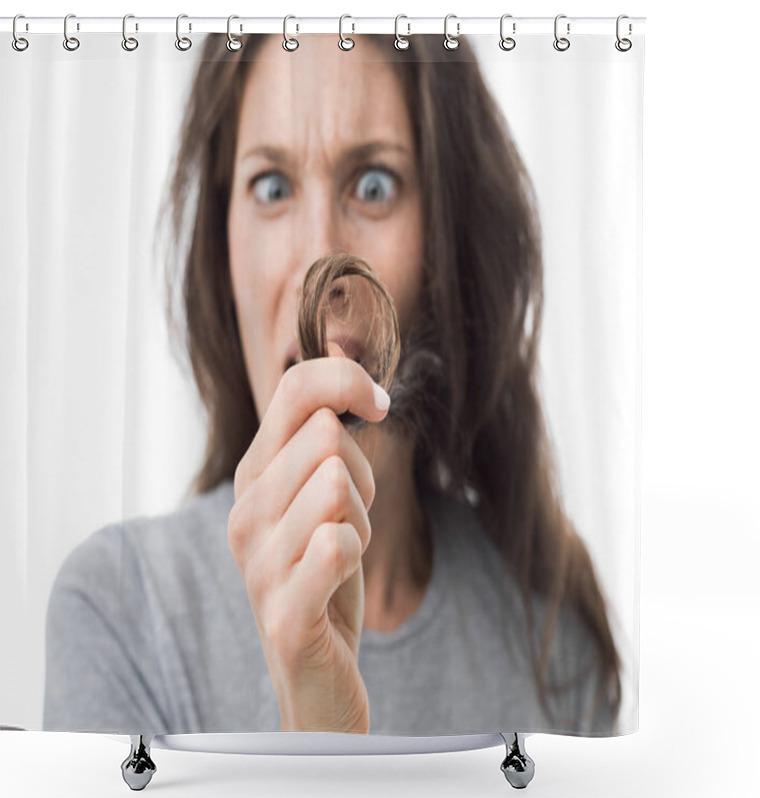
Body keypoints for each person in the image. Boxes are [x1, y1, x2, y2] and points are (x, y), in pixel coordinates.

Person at [43, 31, 622, 736]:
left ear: (448, 247)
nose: (321, 263)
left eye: (373, 184)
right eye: (272, 186)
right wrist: (315, 726)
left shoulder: (555, 639)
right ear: (221, 257)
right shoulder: (119, 614)